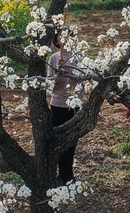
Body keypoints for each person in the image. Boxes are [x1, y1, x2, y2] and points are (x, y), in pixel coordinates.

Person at [47, 31, 81, 185]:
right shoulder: (53, 58)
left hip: (74, 104)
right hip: (57, 104)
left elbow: (84, 80)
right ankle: (55, 176)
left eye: (67, 35)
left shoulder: (78, 56)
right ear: (56, 40)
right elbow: (49, 84)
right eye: (60, 36)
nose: (63, 39)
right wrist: (58, 75)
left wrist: (70, 72)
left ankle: (67, 175)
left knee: (70, 141)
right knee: (56, 141)